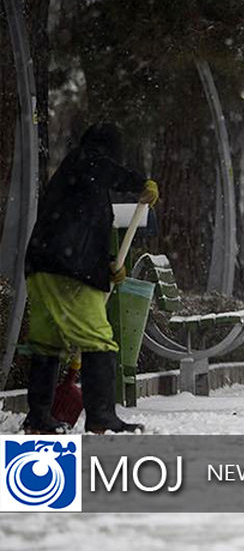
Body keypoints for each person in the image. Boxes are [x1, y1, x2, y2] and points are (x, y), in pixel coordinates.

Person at [21, 123, 159, 434]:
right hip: (68, 272)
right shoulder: (86, 161)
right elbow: (103, 169)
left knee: (47, 344)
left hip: (43, 267)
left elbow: (80, 232)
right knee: (99, 341)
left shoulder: (79, 183)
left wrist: (108, 264)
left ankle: (39, 417)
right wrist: (140, 183)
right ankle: (101, 418)